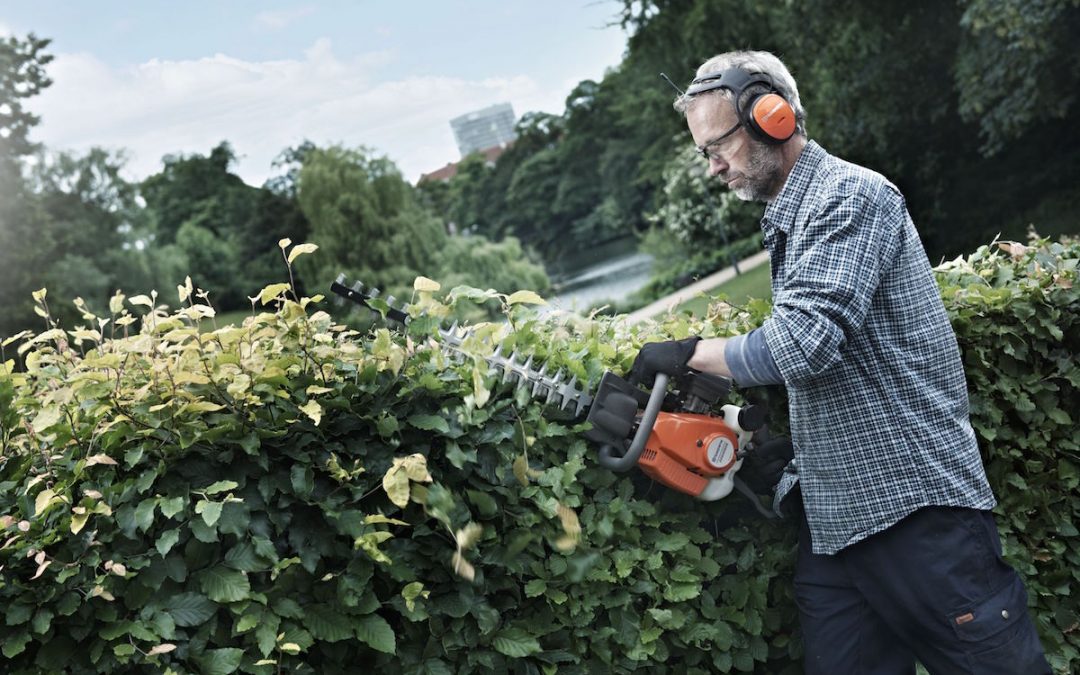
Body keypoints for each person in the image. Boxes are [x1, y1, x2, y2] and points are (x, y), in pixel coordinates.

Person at [628, 50, 1051, 674]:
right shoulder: (792, 217)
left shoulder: (849, 198)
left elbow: (802, 344)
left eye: (717, 145)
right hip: (838, 530)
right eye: (703, 152)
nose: (713, 166)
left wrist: (692, 353)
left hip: (917, 516)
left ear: (772, 117)